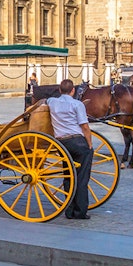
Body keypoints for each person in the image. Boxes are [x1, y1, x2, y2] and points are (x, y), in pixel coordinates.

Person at [47, 78, 93, 219]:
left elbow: (43, 101)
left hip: (61, 144)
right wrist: (90, 145)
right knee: (82, 177)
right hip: (77, 142)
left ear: (60, 90)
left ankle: (69, 209)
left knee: (68, 176)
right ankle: (80, 211)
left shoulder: (52, 102)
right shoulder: (77, 104)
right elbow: (84, 127)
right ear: (73, 91)